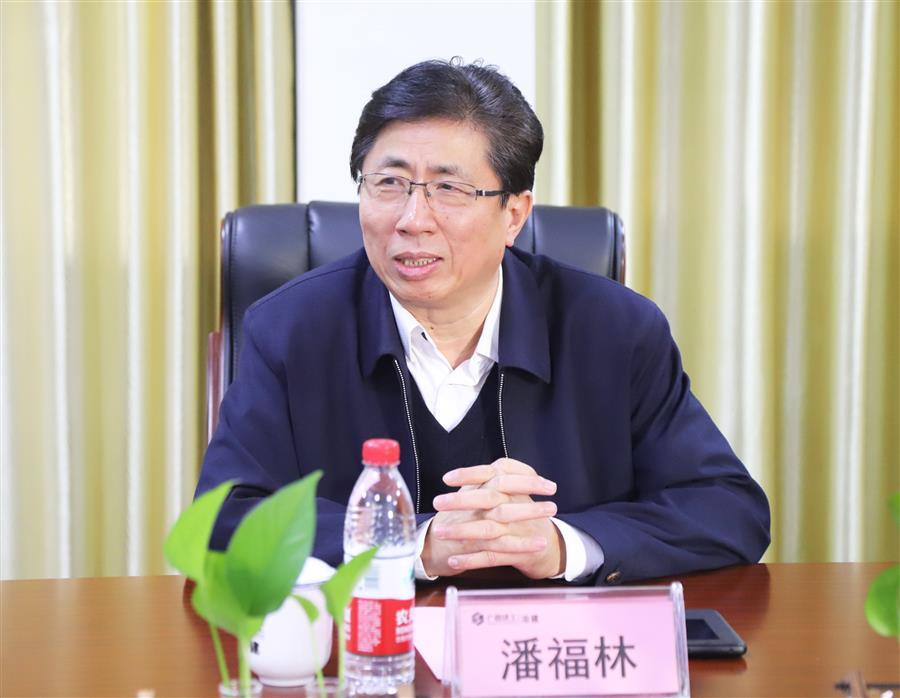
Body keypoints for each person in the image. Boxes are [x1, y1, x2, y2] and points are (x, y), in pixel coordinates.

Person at [197, 58, 770, 585]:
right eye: (389, 183)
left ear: (514, 214)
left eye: (449, 189)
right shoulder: (291, 329)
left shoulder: (614, 329)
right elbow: (225, 519)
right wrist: (415, 543)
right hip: (367, 648)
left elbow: (727, 508)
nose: (412, 219)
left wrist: (560, 545)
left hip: (552, 650)